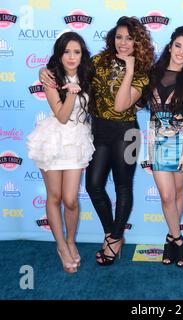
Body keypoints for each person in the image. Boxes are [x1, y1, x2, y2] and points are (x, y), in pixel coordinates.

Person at [40, 16, 154, 266]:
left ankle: (114, 240)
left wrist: (131, 68)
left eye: (129, 38)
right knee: (93, 185)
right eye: (119, 36)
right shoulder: (98, 61)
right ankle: (111, 234)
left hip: (128, 134)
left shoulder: (144, 71)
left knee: (124, 186)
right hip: (98, 131)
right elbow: (70, 71)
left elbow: (121, 104)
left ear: (139, 42)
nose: (123, 42)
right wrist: (44, 71)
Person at [117, 26, 183, 268]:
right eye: (178, 46)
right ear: (170, 45)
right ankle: (178, 240)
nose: (181, 52)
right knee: (167, 196)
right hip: (158, 141)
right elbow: (137, 103)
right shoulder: (153, 73)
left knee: (179, 193)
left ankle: (169, 239)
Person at [28, 31, 95, 273]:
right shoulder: (50, 77)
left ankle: (70, 240)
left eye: (76, 52)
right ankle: (61, 246)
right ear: (59, 53)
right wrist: (72, 92)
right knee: (54, 197)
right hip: (53, 140)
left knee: (70, 199)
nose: (71, 56)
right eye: (66, 51)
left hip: (77, 141)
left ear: (82, 55)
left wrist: (78, 87)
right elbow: (62, 116)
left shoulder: (88, 74)